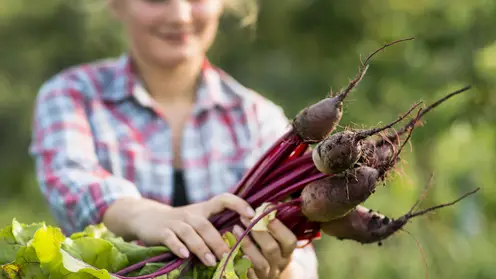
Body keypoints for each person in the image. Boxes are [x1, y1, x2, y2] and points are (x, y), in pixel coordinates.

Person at [29, 0, 319, 278]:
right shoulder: (71, 95)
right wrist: (145, 216)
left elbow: (303, 259)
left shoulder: (258, 118)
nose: (180, 15)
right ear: (117, 3)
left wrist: (282, 270)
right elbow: (72, 181)